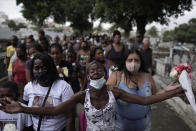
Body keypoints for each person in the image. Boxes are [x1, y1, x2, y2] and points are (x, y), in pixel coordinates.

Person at [0, 61, 185, 131]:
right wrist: (23, 108)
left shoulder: (115, 92)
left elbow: (145, 100)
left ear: (104, 74)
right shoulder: (82, 95)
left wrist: (172, 93)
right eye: (91, 71)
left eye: (98, 70)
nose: (95, 73)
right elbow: (55, 110)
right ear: (88, 76)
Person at [106, 48, 168, 131]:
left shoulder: (147, 76)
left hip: (144, 125)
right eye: (130, 60)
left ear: (141, 62)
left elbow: (154, 96)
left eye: (136, 60)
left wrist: (166, 90)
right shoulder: (116, 76)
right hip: (121, 126)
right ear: (125, 61)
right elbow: (105, 98)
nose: (133, 63)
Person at [15, 53, 75, 131]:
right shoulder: (29, 87)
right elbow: (27, 111)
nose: (40, 71)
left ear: (51, 69)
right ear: (32, 70)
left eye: (44, 68)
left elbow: (70, 116)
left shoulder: (64, 87)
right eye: (36, 68)